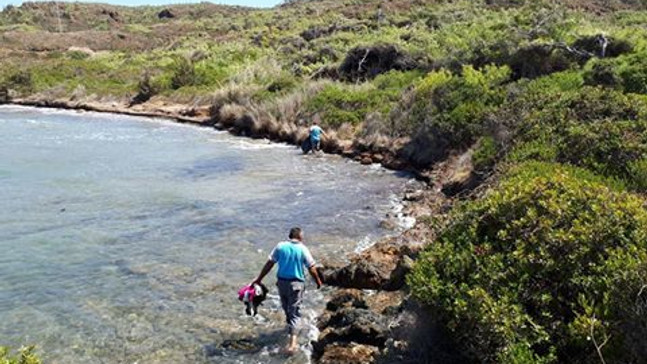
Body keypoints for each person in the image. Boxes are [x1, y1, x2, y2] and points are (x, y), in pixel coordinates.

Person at [252, 227, 323, 355]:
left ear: (290, 236)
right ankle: (293, 344)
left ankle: (290, 328)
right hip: (296, 284)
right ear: (300, 237)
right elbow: (311, 268)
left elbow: (269, 263)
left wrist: (259, 279)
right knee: (295, 311)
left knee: (287, 308)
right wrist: (318, 281)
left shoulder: (280, 246)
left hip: (282, 283)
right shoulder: (302, 248)